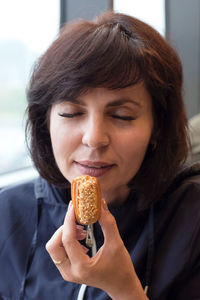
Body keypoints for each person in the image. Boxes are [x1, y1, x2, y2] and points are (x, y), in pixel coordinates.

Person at [0, 11, 200, 300]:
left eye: (122, 115)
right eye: (72, 112)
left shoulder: (190, 217)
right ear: (45, 121)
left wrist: (123, 289)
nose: (94, 138)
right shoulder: (8, 213)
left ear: (158, 127)